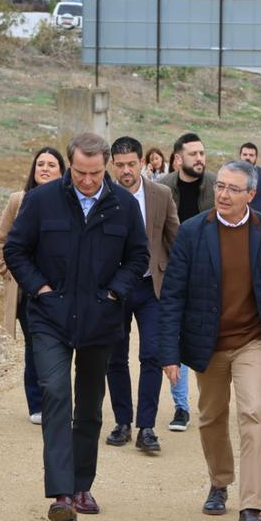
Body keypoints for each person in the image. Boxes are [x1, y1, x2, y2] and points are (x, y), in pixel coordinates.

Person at [3, 132, 149, 521]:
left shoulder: (122, 204)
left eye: (96, 173)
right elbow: (14, 249)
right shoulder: (40, 201)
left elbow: (138, 256)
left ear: (106, 167)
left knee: (88, 405)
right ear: (70, 166)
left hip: (100, 320)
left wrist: (115, 294)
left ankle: (83, 485)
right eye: (81, 172)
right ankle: (62, 493)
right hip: (50, 316)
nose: (88, 180)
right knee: (53, 393)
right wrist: (40, 288)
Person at [157, 160, 261, 521]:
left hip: (252, 340)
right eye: (219, 186)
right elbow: (172, 295)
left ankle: (250, 507)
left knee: (254, 414)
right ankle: (220, 482)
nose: (222, 194)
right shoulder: (192, 232)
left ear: (251, 195)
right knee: (210, 416)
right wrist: (168, 353)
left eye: (231, 189)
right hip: (208, 343)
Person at [105, 136, 180, 453]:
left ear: (142, 162)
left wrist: (181, 286)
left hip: (152, 286)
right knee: (115, 356)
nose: (125, 171)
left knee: (152, 354)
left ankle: (146, 426)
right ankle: (122, 421)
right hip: (115, 289)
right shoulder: (102, 196)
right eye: (119, 165)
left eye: (131, 164)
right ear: (112, 165)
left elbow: (174, 237)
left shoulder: (161, 194)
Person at [0, 146, 66, 425]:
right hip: (26, 291)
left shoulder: (68, 201)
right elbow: (1, 239)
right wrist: (7, 272)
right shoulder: (18, 200)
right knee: (35, 345)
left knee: (58, 345)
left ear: (62, 171)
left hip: (58, 289)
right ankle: (36, 404)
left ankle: (57, 399)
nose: (45, 169)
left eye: (51, 165)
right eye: (40, 165)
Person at [157, 132, 215, 431]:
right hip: (172, 274)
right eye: (193, 154)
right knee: (174, 338)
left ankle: (211, 403)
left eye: (202, 153)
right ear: (178, 158)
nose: (200, 159)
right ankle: (181, 407)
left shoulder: (218, 186)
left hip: (209, 276)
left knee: (209, 340)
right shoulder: (161, 188)